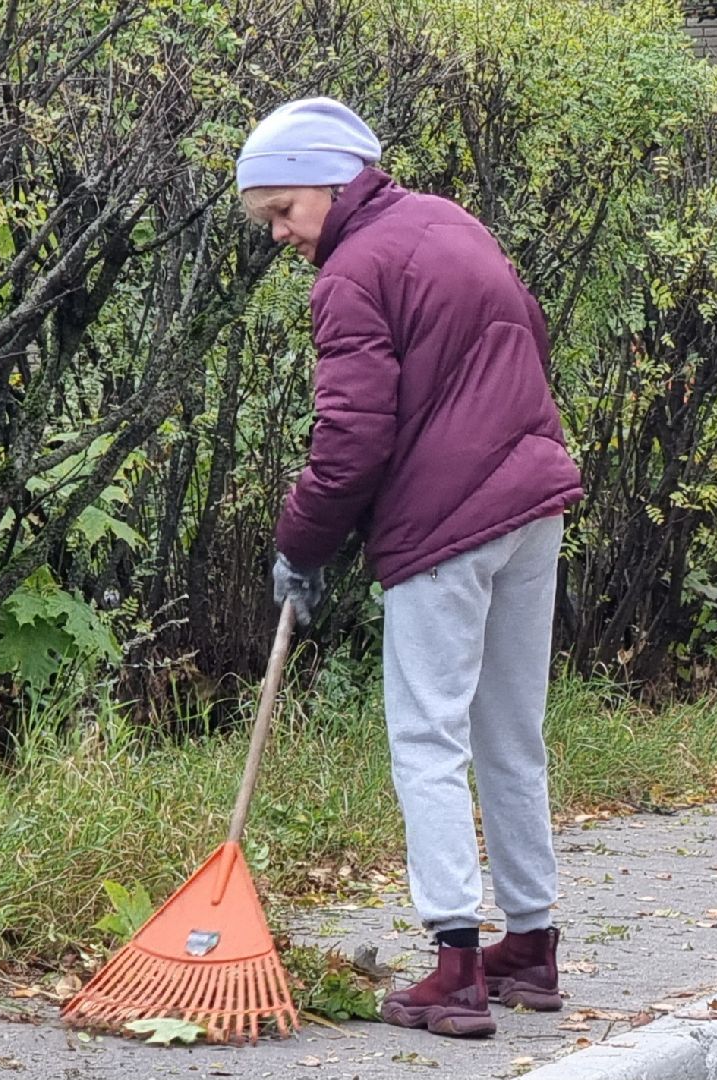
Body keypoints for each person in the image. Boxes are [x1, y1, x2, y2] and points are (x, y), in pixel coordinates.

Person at [236, 97, 583, 1038]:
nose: (279, 235)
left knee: (428, 737)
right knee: (513, 734)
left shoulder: (352, 269)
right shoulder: (451, 224)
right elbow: (530, 340)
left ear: (328, 179)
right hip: (530, 502)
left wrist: (300, 545)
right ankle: (531, 948)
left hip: (446, 522)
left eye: (282, 210)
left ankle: (456, 967)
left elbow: (349, 437)